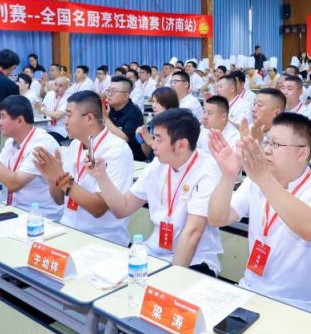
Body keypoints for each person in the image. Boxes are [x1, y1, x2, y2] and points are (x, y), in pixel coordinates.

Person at [208, 113, 311, 319]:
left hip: (305, 306)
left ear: (302, 153)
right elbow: (217, 218)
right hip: (251, 290)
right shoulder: (256, 181)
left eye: (276, 145)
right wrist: (228, 175)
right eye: (267, 142)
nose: (267, 150)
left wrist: (263, 178)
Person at [90, 108, 223, 273]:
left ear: (181, 145)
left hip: (194, 258)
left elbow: (193, 233)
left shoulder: (207, 170)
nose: (152, 144)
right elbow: (123, 208)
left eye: (159, 139)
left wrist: (171, 277)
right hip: (155, 252)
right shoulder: (158, 164)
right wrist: (102, 176)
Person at [32, 91, 135, 245]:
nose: (65, 122)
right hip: (68, 228)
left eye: (69, 115)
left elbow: (98, 209)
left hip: (102, 238)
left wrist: (61, 177)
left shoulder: (116, 149)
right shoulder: (75, 145)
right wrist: (52, 178)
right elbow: (59, 200)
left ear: (89, 118)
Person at [0, 95, 62, 219]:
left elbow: (14, 184)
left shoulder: (42, 144)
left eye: (3, 117)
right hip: (14, 211)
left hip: (40, 216)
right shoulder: (11, 142)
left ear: (20, 120)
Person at [101, 75, 146, 161]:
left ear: (125, 96)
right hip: (111, 153)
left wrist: (105, 118)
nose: (109, 94)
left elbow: (124, 138)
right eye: (108, 90)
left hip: (131, 158)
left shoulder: (134, 112)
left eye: (113, 91)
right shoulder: (109, 108)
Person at [137, 87, 178, 158]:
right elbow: (148, 155)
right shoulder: (153, 123)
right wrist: (142, 138)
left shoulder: (177, 124)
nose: (153, 105)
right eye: (153, 102)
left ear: (169, 103)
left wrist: (151, 142)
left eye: (158, 102)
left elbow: (170, 154)